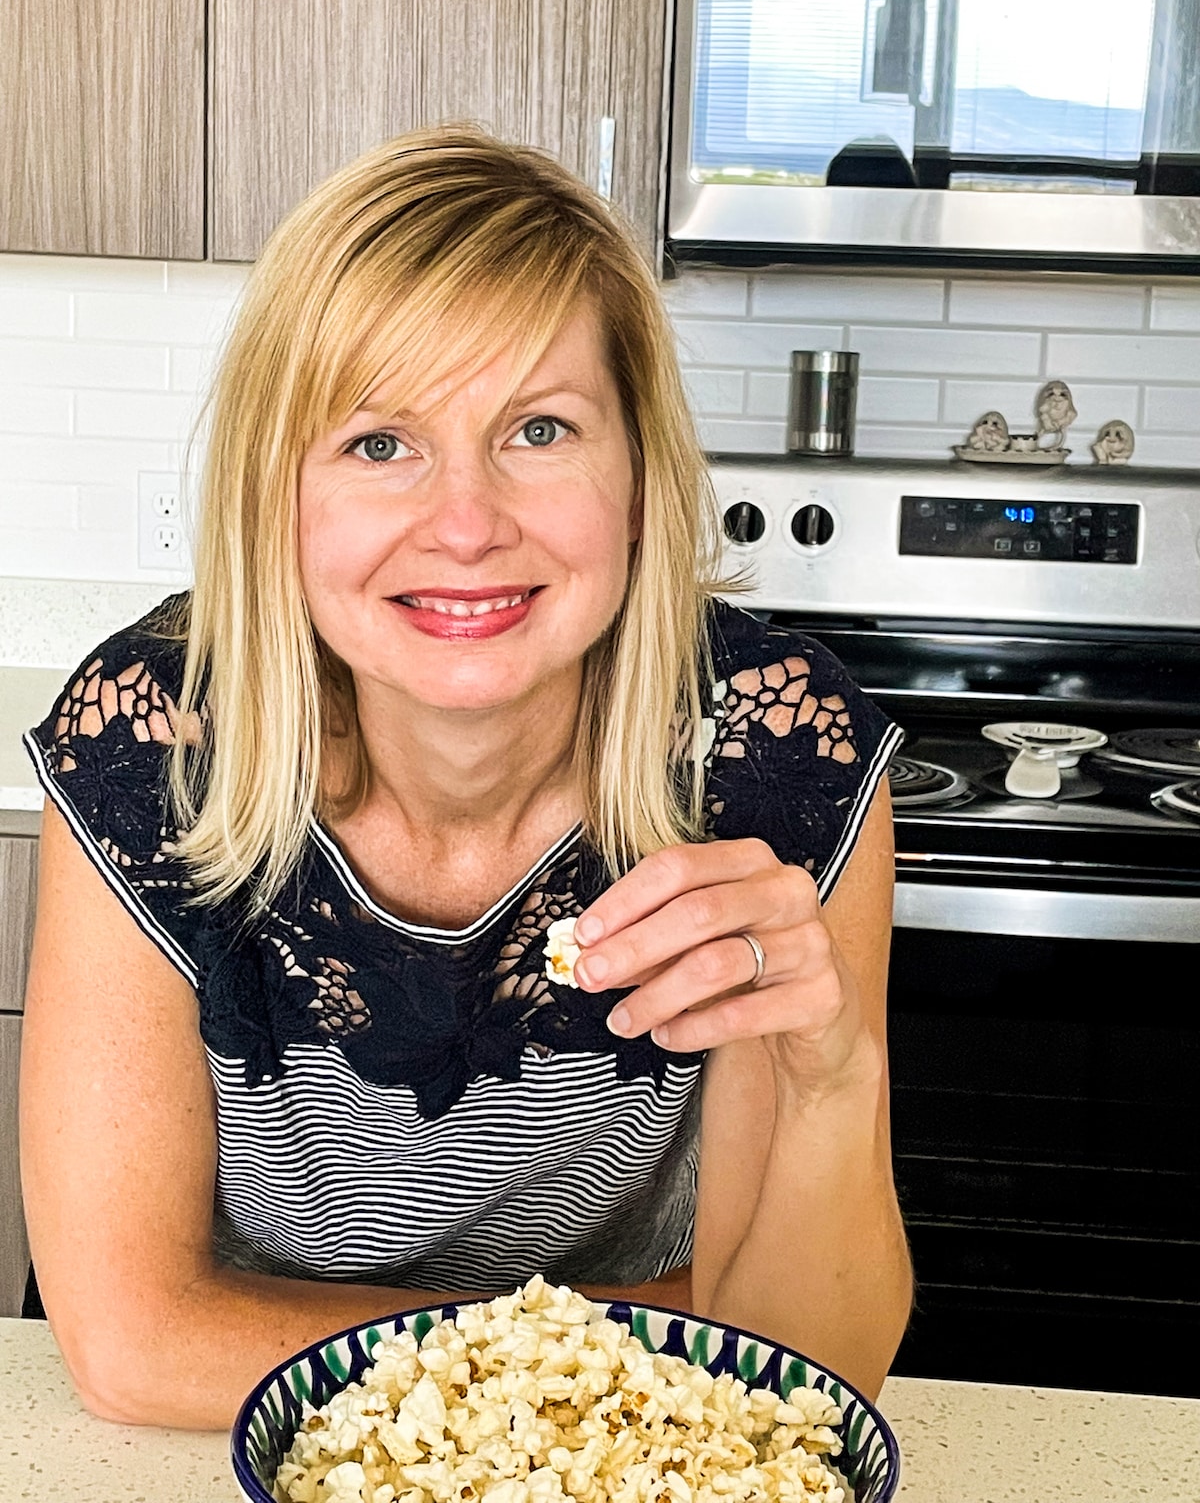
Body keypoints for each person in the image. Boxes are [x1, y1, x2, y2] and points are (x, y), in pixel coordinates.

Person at [20, 127, 912, 1431]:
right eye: (381, 444)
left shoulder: (777, 762)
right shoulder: (150, 748)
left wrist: (838, 1073)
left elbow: (803, 1369)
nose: (465, 522)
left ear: (639, 483)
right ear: (282, 497)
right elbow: (136, 1344)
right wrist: (621, 1350)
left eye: (540, 429)